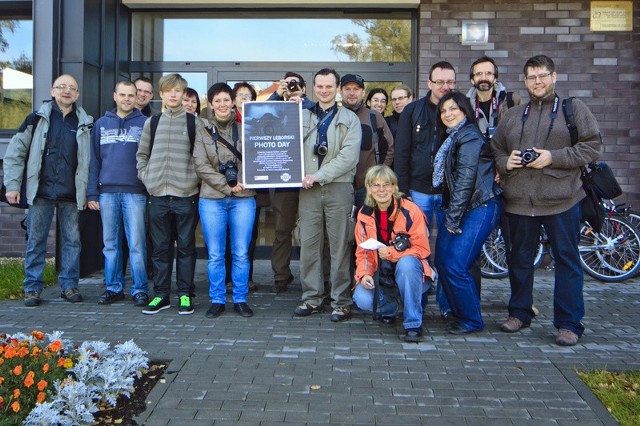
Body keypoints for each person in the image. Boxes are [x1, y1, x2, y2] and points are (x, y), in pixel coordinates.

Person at [492, 55, 601, 346]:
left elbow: (592, 147)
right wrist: (507, 162)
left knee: (567, 262)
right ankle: (519, 312)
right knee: (519, 261)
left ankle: (568, 323)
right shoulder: (513, 115)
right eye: (531, 77)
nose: (537, 82)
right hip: (518, 203)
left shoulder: (573, 109)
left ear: (554, 76)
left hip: (562, 200)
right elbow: (496, 148)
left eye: (542, 76)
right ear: (525, 81)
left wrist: (554, 158)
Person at [3, 74, 93, 306]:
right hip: (40, 191)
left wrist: (88, 192)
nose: (66, 91)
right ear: (52, 91)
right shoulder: (36, 118)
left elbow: (92, 161)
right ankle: (32, 288)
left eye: (72, 88)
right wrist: (12, 185)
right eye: (61, 87)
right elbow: (15, 153)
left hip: (71, 194)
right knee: (36, 240)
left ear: (77, 95)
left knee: (72, 242)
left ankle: (69, 286)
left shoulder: (85, 122)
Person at [432, 91, 503, 334]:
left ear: (465, 111)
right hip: (460, 207)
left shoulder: (469, 136)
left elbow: (465, 180)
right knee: (442, 261)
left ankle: (472, 320)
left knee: (455, 265)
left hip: (480, 206)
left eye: (453, 109)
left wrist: (452, 220)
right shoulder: (452, 137)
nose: (448, 114)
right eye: (443, 111)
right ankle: (457, 311)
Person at [294, 68, 361, 322]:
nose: (324, 90)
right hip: (307, 189)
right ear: (313, 88)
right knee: (309, 245)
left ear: (337, 88)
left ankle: (341, 301)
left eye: (329, 86)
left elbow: (348, 158)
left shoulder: (350, 119)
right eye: (319, 86)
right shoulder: (300, 116)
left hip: (338, 187)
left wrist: (318, 176)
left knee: (340, 246)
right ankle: (311, 298)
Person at [136, 73, 203, 315]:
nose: (174, 95)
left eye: (178, 91)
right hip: (158, 196)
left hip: (186, 196)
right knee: (160, 249)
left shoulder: (194, 123)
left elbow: (201, 159)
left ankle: (185, 295)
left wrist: (192, 179)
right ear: (161, 94)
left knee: (186, 248)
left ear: (183, 94)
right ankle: (161, 296)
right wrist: (147, 177)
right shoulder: (151, 123)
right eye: (169, 90)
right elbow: (141, 155)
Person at [393, 61, 456, 318]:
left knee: (447, 251)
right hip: (416, 192)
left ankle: (446, 305)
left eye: (450, 82)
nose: (445, 86)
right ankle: (417, 300)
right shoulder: (412, 110)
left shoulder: (458, 110)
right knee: (416, 249)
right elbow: (402, 152)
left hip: (448, 194)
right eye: (439, 82)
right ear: (429, 83)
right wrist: (403, 190)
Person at [194, 82, 256, 319]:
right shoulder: (202, 132)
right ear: (210, 104)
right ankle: (217, 298)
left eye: (226, 100)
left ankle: (240, 299)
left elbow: (258, 159)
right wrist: (227, 185)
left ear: (233, 102)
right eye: (217, 100)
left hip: (244, 198)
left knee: (240, 253)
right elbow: (200, 166)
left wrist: (241, 182)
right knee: (216, 254)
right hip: (211, 199)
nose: (222, 104)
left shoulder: (247, 128)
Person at [352, 165, 434, 342]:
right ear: (368, 188)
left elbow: (422, 249)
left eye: (386, 184)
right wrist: (365, 274)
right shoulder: (364, 214)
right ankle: (390, 309)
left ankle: (413, 324)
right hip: (383, 276)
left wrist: (390, 253)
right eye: (376, 185)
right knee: (361, 298)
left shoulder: (411, 210)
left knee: (407, 263)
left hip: (414, 274)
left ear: (394, 186)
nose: (381, 190)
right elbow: (363, 252)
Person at [87, 80, 150, 306]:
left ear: (137, 98)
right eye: (122, 95)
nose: (127, 99)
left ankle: (140, 289)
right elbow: (93, 161)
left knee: (136, 244)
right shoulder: (101, 124)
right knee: (110, 244)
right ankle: (113, 287)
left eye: (131, 95)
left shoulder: (146, 123)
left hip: (135, 193)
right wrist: (92, 194)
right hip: (107, 193)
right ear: (115, 96)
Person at [465, 55, 522, 293]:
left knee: (515, 247)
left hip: (509, 179)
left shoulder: (512, 100)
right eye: (479, 74)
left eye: (488, 73)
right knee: (473, 247)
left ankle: (521, 304)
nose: (484, 78)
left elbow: (521, 136)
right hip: (479, 181)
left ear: (495, 77)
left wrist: (503, 166)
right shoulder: (465, 104)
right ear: (472, 79)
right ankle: (472, 301)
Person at [268, 72, 314, 293]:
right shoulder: (277, 106)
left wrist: (302, 104)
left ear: (304, 88)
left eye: (296, 85)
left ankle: (313, 276)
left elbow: (319, 118)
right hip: (284, 180)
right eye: (288, 85)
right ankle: (281, 275)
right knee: (282, 230)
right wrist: (278, 96)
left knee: (311, 231)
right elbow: (259, 116)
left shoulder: (311, 107)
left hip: (309, 180)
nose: (293, 88)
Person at [339, 73, 394, 209]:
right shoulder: (334, 116)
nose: (352, 93)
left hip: (367, 186)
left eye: (356, 89)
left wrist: (378, 177)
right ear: (340, 92)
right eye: (347, 89)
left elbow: (389, 148)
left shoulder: (374, 117)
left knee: (368, 226)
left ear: (363, 92)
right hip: (339, 186)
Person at [229, 81, 263, 293]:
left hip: (252, 186)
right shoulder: (225, 121)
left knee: (248, 235)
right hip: (229, 186)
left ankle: (246, 278)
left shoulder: (257, 121)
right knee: (226, 236)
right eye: (239, 95)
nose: (243, 99)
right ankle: (227, 279)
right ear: (233, 100)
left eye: (247, 95)